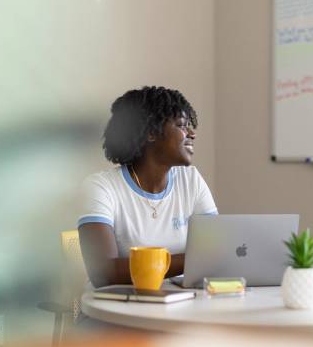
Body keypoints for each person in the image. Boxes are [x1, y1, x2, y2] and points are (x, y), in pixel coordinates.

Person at [78, 86, 217, 287]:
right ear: (151, 133)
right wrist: (195, 260)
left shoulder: (191, 180)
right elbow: (104, 273)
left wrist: (210, 257)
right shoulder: (100, 187)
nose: (192, 133)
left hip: (179, 303)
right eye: (181, 125)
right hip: (116, 309)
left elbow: (216, 249)